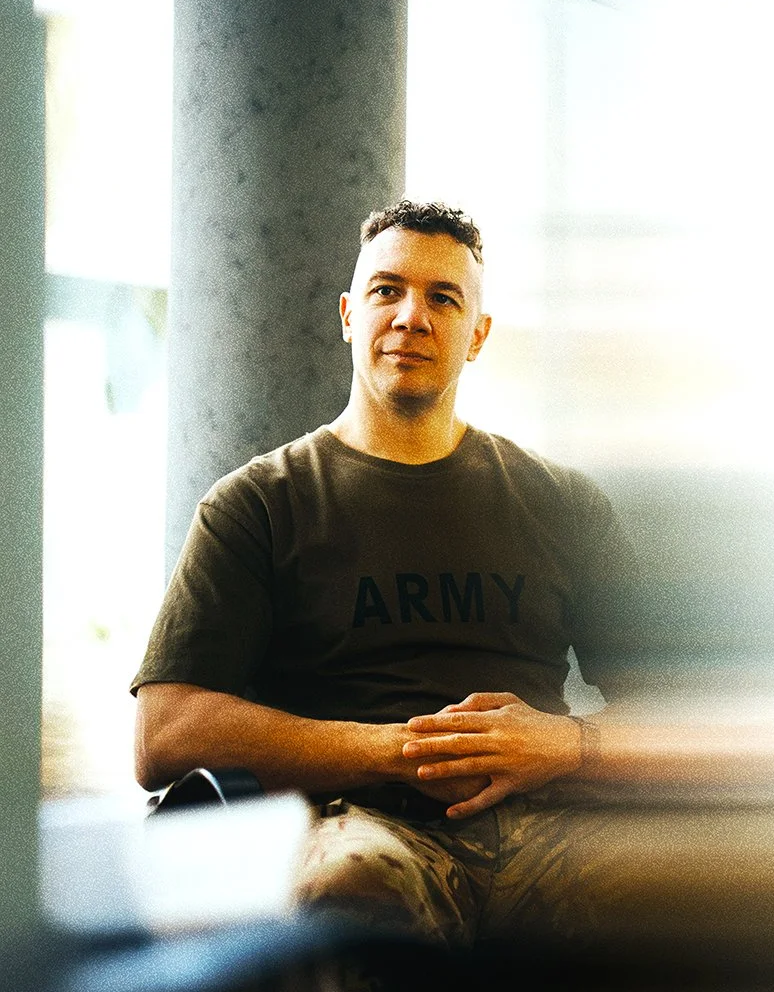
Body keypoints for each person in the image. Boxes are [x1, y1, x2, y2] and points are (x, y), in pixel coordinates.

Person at [131, 200, 651, 952]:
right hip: (357, 824)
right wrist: (398, 750)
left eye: (444, 298)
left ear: (478, 335)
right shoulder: (259, 504)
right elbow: (165, 731)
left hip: (547, 828)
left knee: (677, 892)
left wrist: (566, 746)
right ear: (349, 313)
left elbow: (675, 704)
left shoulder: (559, 504)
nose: (412, 316)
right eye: (387, 290)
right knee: (350, 890)